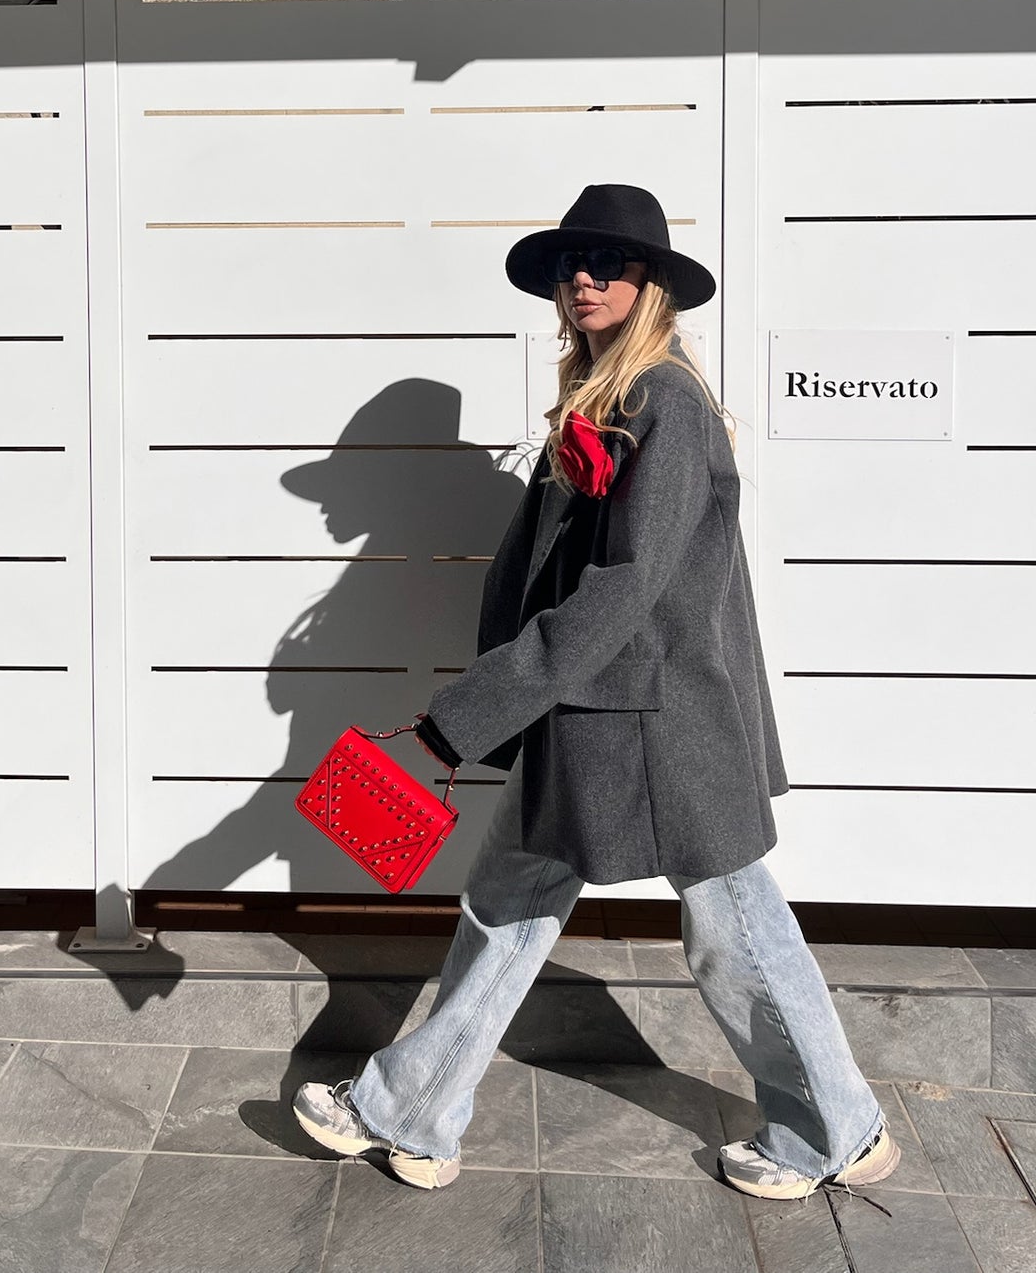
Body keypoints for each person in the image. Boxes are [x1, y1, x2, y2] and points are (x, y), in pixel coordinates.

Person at [293, 183, 899, 1201]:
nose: (583, 278)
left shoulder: (664, 402)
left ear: (648, 285)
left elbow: (624, 589)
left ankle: (836, 1127)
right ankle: (414, 1112)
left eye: (608, 265)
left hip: (660, 725)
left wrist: (468, 716)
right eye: (573, 264)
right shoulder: (612, 397)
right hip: (600, 717)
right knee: (509, 904)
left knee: (733, 931)